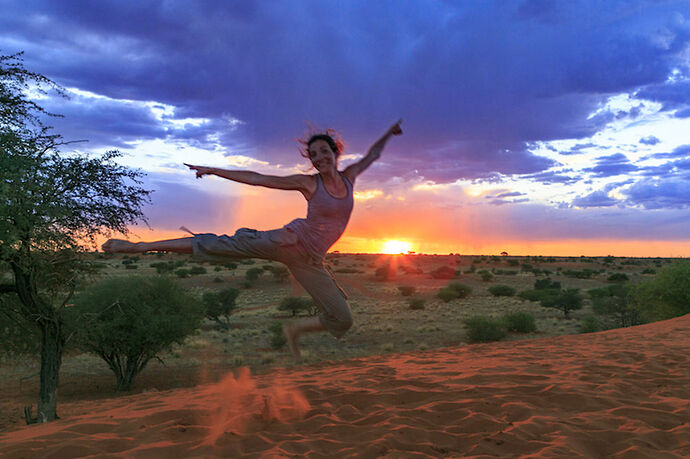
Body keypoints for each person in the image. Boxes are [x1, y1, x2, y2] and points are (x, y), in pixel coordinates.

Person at [102, 120, 403, 358]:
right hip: (287, 242)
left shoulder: (350, 177)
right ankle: (141, 246)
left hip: (310, 262)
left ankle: (296, 330)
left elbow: (373, 154)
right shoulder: (308, 183)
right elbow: (258, 178)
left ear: (335, 152)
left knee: (343, 318)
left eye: (324, 152)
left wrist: (390, 132)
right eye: (313, 155)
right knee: (222, 245)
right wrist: (214, 171)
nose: (319, 158)